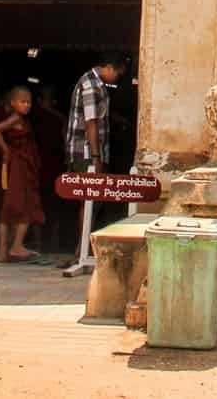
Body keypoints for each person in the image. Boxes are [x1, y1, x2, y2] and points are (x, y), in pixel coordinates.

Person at [62, 52, 127, 276]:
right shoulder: (91, 85)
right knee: (89, 199)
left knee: (92, 200)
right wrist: (97, 157)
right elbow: (91, 122)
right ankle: (80, 250)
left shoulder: (96, 84)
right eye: (117, 73)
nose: (117, 78)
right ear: (109, 67)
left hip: (89, 151)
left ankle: (81, 249)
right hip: (86, 152)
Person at [0, 84, 46, 262]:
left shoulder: (20, 118)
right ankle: (16, 246)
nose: (27, 105)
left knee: (9, 206)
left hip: (20, 163)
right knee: (23, 205)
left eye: (29, 102)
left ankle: (3, 251)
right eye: (23, 102)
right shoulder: (15, 118)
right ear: (13, 103)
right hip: (19, 164)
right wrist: (5, 149)